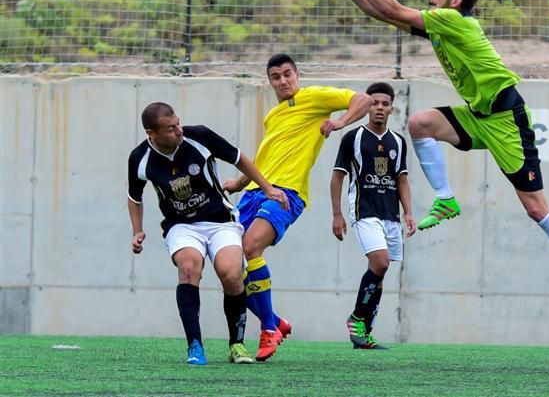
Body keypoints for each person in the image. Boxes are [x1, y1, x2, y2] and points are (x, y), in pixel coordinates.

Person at [322, 0, 549, 326]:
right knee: (421, 123)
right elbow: (388, 16)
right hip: (479, 114)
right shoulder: (443, 22)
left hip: (507, 120)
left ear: (455, 1)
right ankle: (445, 198)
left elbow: (394, 8)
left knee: (537, 209)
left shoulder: (453, 21)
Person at [223, 53, 373, 360]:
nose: (282, 81)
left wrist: (340, 121)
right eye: (275, 77)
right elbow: (267, 156)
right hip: (253, 193)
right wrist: (240, 183)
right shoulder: (273, 116)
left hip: (286, 193)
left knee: (250, 248)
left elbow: (364, 99)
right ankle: (276, 322)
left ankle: (268, 329)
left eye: (287, 74)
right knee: (230, 271)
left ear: (297, 75)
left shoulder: (314, 98)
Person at [127, 102, 287, 365]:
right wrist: (137, 230)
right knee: (189, 269)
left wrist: (267, 188)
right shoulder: (139, 158)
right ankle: (195, 346)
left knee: (231, 273)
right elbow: (134, 197)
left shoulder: (199, 136)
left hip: (220, 221)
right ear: (150, 133)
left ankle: (237, 345)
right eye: (170, 128)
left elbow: (240, 159)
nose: (178, 130)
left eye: (178, 123)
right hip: (182, 226)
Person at [330, 82, 416, 349]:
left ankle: (364, 334)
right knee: (380, 263)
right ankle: (356, 318)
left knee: (378, 274)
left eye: (385, 104)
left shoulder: (398, 142)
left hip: (390, 214)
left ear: (392, 108)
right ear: (367, 106)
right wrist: (337, 214)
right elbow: (337, 178)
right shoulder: (353, 138)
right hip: (363, 211)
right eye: (374, 103)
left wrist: (409, 213)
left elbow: (401, 180)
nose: (379, 107)